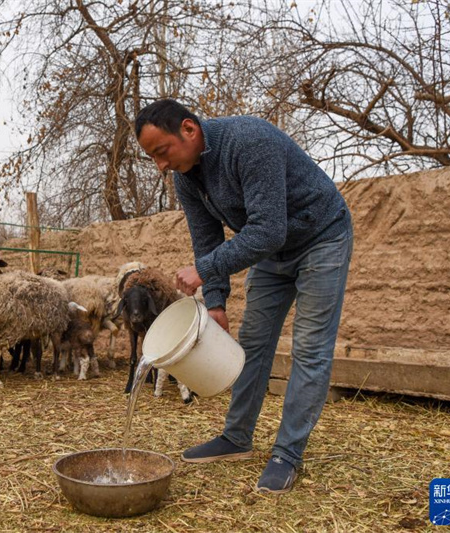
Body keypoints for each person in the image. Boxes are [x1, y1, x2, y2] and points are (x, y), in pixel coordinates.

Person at [134, 99, 353, 494]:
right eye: (152, 158)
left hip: (321, 237)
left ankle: (287, 453)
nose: (160, 166)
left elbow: (268, 228)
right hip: (272, 253)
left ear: (188, 129)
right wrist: (214, 303)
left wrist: (204, 272)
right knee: (252, 343)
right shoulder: (186, 176)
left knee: (309, 348)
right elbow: (206, 240)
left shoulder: (248, 141)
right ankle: (236, 438)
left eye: (161, 152)